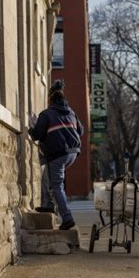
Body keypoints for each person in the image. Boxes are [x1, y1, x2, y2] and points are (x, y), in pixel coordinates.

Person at [28, 80, 84, 230]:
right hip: (72, 153)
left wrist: (31, 128)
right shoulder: (71, 112)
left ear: (51, 100)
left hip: (58, 154)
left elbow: (37, 135)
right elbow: (81, 131)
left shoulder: (46, 114)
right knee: (48, 175)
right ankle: (48, 205)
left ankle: (67, 218)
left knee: (57, 185)